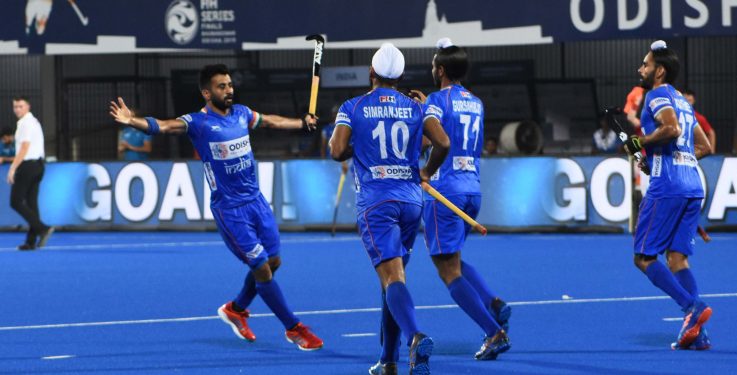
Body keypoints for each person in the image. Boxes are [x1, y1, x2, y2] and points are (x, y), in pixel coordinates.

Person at [108, 64, 323, 351]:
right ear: (207, 92)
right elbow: (164, 125)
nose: (229, 90)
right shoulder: (198, 122)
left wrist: (301, 122)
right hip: (230, 210)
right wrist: (132, 120)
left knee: (274, 261)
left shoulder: (242, 114)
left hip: (256, 202)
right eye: (222, 86)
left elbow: (271, 121)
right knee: (261, 268)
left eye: (230, 85)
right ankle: (295, 329)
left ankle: (236, 309)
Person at [329, 43, 450, 375]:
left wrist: (363, 142)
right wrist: (426, 171)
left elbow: (337, 151)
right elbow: (442, 143)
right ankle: (388, 361)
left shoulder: (353, 106)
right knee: (393, 278)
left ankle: (414, 337)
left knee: (392, 277)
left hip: (377, 202)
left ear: (371, 73)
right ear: (399, 77)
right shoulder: (415, 107)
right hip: (412, 202)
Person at [415, 37, 511, 363]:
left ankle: (493, 332)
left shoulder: (436, 100)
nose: (431, 69)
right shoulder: (476, 102)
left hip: (446, 192)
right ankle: (491, 302)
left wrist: (426, 172)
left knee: (447, 271)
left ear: (440, 69)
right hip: (472, 189)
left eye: (432, 65)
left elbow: (435, 140)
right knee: (452, 258)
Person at [624, 40, 714, 350]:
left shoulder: (656, 94)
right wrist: (656, 158)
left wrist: (641, 143)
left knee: (643, 257)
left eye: (645, 65)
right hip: (691, 186)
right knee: (677, 260)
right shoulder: (683, 100)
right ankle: (698, 334)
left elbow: (671, 129)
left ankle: (692, 308)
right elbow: (704, 147)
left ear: (659, 71)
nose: (641, 69)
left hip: (668, 188)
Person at [7, 96, 54, 250]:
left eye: (20, 106)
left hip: (28, 166)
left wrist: (13, 168)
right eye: (15, 106)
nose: (17, 109)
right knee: (32, 204)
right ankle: (31, 241)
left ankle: (43, 228)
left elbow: (24, 147)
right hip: (39, 165)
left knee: (15, 201)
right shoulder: (33, 121)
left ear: (28, 106)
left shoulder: (25, 123)